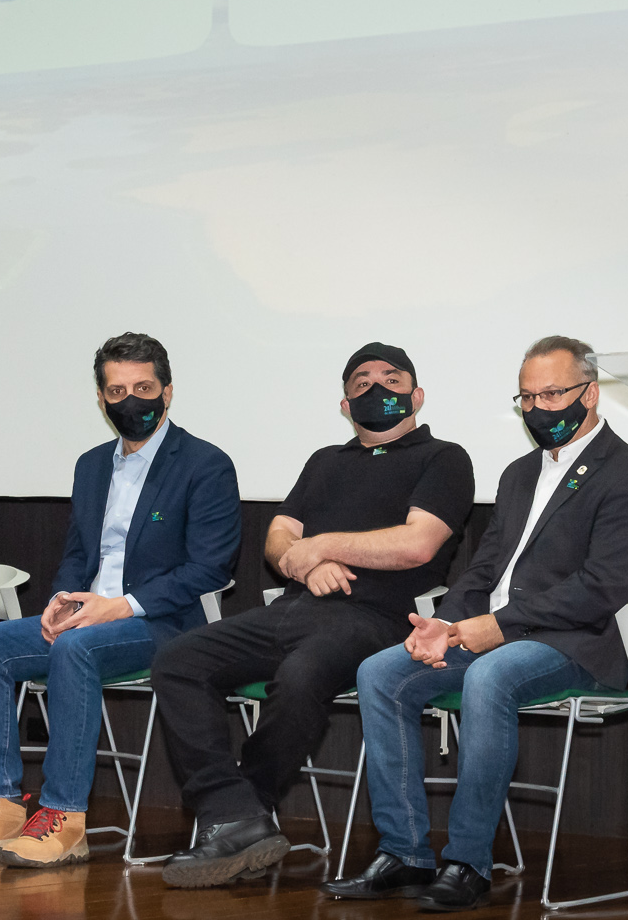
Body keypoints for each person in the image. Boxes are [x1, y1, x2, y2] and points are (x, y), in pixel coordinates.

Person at [326, 336, 628, 912]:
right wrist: (442, 624)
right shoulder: (519, 473)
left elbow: (601, 586)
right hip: (488, 631)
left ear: (590, 394)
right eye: (527, 398)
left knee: (488, 677)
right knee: (380, 672)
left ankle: (468, 860)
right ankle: (404, 853)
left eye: (553, 394)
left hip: (571, 640)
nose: (540, 409)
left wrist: (496, 625)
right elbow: (485, 565)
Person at [152, 341, 475, 889]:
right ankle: (233, 812)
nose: (377, 388)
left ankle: (245, 810)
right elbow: (280, 537)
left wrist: (324, 548)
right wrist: (301, 566)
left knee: (300, 677)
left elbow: (419, 544)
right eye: (361, 381)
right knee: (178, 659)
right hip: (297, 608)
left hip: (378, 618)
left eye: (391, 378)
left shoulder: (443, 457)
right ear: (346, 405)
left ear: (417, 395)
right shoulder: (326, 460)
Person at [0, 332, 242, 868]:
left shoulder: (205, 464)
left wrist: (120, 606)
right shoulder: (92, 465)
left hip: (165, 625)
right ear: (101, 400)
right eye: (117, 391)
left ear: (167, 392)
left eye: (143, 387)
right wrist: (61, 600)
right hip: (88, 617)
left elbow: (210, 568)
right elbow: (78, 552)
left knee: (78, 650)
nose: (131, 400)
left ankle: (63, 818)